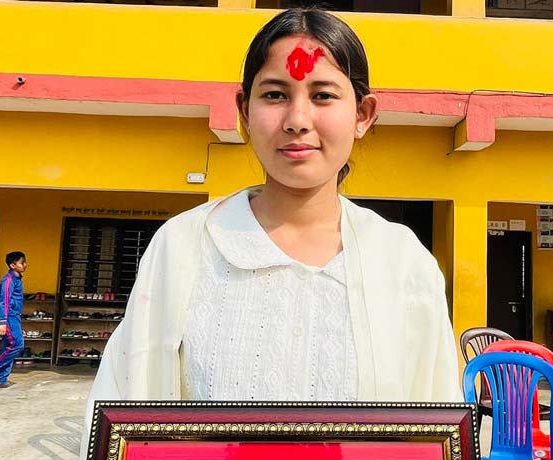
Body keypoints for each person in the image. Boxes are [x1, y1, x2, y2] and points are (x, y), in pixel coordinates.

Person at [81, 7, 460, 455]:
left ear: (363, 114)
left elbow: (433, 432)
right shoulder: (182, 248)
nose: (297, 119)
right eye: (275, 94)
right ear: (245, 110)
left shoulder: (403, 264)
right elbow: (125, 404)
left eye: (323, 96)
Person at [0, 251, 27, 389]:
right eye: (22, 263)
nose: (25, 265)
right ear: (13, 265)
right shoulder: (8, 280)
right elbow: (4, 302)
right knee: (17, 345)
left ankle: (2, 378)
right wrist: (3, 322)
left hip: (15, 316)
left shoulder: (17, 279)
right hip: (9, 318)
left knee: (8, 347)